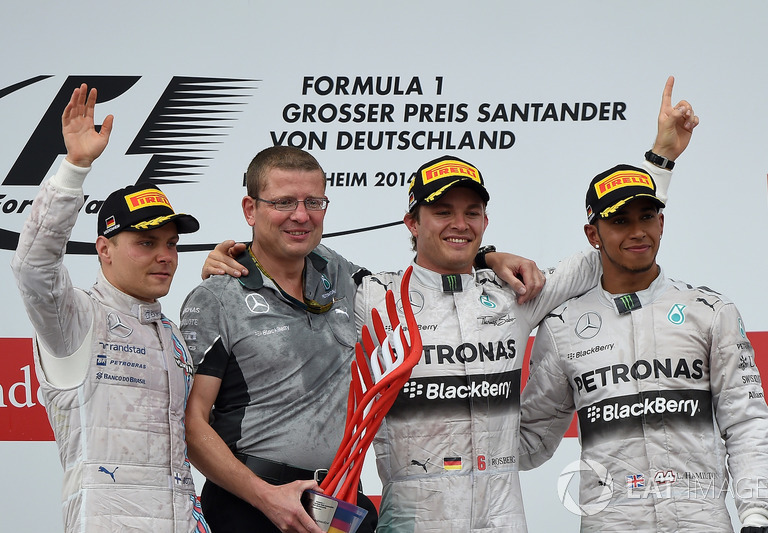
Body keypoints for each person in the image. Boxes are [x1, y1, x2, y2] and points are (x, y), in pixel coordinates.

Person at [199, 76, 698, 532]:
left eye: (472, 212)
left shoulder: (515, 292)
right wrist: (237, 255)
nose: (458, 223)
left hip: (504, 518)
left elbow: (602, 255)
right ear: (412, 222)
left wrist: (661, 158)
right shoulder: (371, 295)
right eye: (441, 212)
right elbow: (293, 245)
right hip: (412, 517)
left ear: (485, 221)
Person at [182, 149, 545, 532]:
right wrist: (265, 497)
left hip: (336, 499)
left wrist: (486, 257)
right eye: (284, 202)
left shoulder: (342, 276)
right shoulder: (217, 297)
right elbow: (191, 424)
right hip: (253, 503)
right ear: (250, 210)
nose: (301, 215)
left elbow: (431, 274)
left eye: (314, 202)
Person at [518, 164, 768, 532]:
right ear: (593, 234)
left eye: (647, 216)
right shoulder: (562, 327)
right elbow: (530, 440)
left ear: (662, 223)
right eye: (620, 221)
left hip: (700, 521)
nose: (638, 231)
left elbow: (746, 421)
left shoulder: (708, 311)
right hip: (610, 522)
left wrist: (755, 514)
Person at [10, 84, 209, 532]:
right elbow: (33, 267)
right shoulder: (78, 319)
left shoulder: (172, 333)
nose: (165, 255)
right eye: (145, 242)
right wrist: (74, 168)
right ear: (104, 249)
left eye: (172, 244)